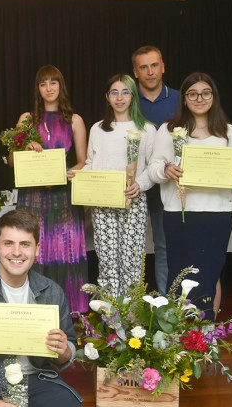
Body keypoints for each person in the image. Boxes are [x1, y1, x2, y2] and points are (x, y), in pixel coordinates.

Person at [0, 209, 82, 407]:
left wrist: (65, 351)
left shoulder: (52, 292)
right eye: (8, 243)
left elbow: (69, 344)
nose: (16, 252)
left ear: (37, 248)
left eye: (25, 244)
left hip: (37, 380)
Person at [148, 72, 232, 318]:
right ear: (184, 98)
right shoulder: (169, 129)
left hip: (217, 215)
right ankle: (179, 339)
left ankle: (207, 337)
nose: (199, 98)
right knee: (180, 276)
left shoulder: (227, 131)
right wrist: (166, 169)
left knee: (210, 274)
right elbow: (153, 170)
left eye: (205, 93)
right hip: (179, 216)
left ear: (213, 97)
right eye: (192, 93)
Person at [13, 65, 88, 314]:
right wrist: (24, 149)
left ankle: (69, 312)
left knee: (63, 249)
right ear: (38, 89)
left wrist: (72, 172)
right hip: (32, 198)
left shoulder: (74, 120)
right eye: (43, 83)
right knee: (33, 249)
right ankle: (30, 310)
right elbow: (12, 161)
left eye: (53, 83)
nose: (48, 88)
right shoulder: (26, 119)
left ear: (60, 86)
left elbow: (83, 161)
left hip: (63, 197)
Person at [83, 75, 155, 297]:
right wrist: (81, 179)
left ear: (133, 96)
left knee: (132, 262)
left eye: (125, 92)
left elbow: (153, 168)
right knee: (106, 261)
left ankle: (131, 317)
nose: (120, 97)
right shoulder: (97, 128)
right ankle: (111, 319)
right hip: (103, 204)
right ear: (107, 97)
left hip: (133, 201)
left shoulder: (147, 129)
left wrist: (140, 185)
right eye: (114, 92)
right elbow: (90, 164)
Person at [132, 46, 179, 294]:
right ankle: (131, 306)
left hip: (168, 185)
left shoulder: (180, 99)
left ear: (163, 67)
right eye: (143, 67)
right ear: (135, 72)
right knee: (132, 246)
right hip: (136, 186)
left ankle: (165, 304)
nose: (150, 72)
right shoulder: (127, 99)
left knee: (164, 245)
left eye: (154, 65)